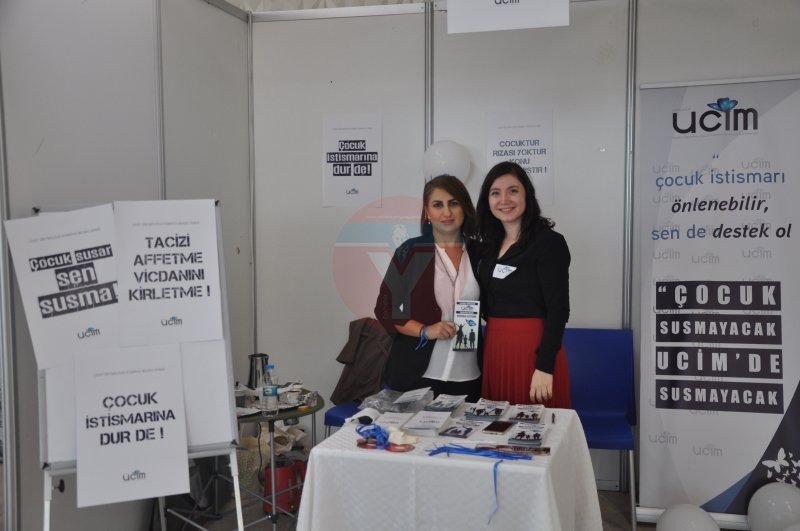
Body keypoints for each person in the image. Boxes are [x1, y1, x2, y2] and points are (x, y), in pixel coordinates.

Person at [375, 175, 482, 401]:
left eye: (454, 203)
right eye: (438, 205)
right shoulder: (411, 251)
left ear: (464, 206)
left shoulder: (480, 253)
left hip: (468, 375)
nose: (447, 212)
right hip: (417, 374)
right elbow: (385, 307)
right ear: (427, 211)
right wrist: (425, 330)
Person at [475, 161, 572, 408]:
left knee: (534, 426)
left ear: (526, 194)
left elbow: (558, 309)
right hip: (496, 348)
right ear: (487, 200)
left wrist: (545, 366)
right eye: (495, 193)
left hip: (533, 351)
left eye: (513, 191)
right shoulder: (488, 247)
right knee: (497, 426)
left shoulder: (548, 243)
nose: (504, 200)